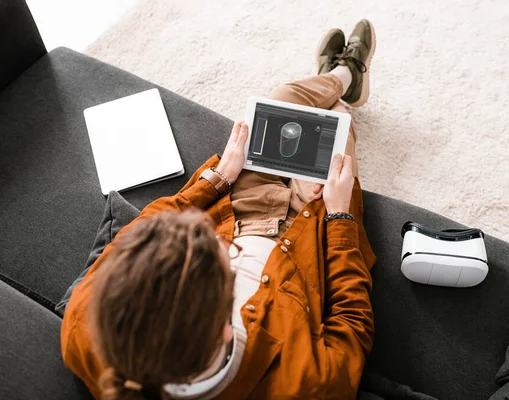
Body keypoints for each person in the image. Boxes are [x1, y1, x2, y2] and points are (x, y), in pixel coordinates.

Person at [61, 19, 377, 400]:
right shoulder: (306, 387)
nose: (228, 247)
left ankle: (340, 76)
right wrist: (339, 215)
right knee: (338, 129)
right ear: (227, 328)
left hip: (236, 206)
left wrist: (218, 179)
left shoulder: (84, 324)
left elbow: (142, 233)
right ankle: (343, 84)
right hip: (311, 234)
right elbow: (351, 322)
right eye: (227, 257)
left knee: (280, 102)